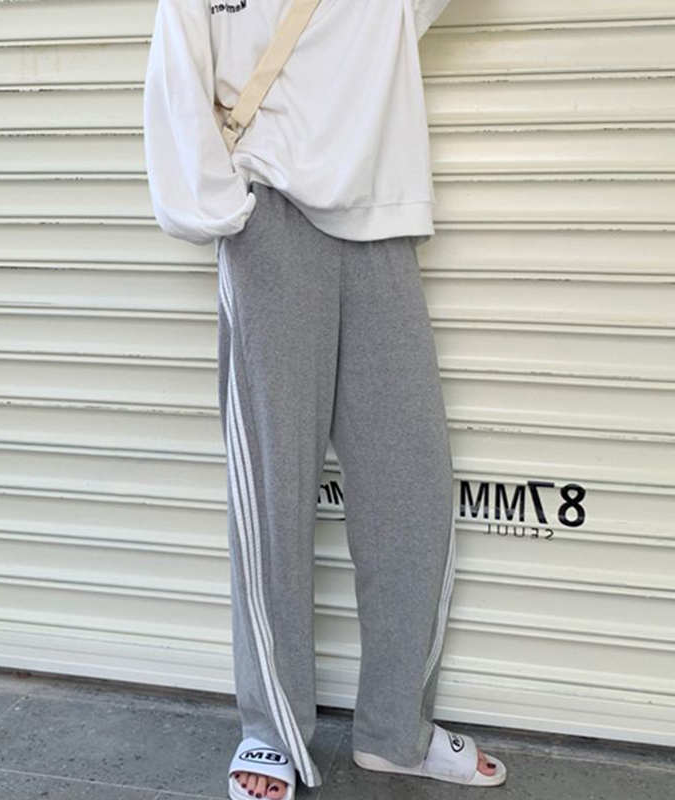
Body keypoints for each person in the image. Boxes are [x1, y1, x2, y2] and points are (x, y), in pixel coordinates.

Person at [143, 2, 508, 797]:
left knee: (413, 493)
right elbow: (177, 71)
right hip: (267, 220)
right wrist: (223, 209)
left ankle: (395, 732)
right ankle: (270, 731)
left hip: (382, 225)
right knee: (274, 495)